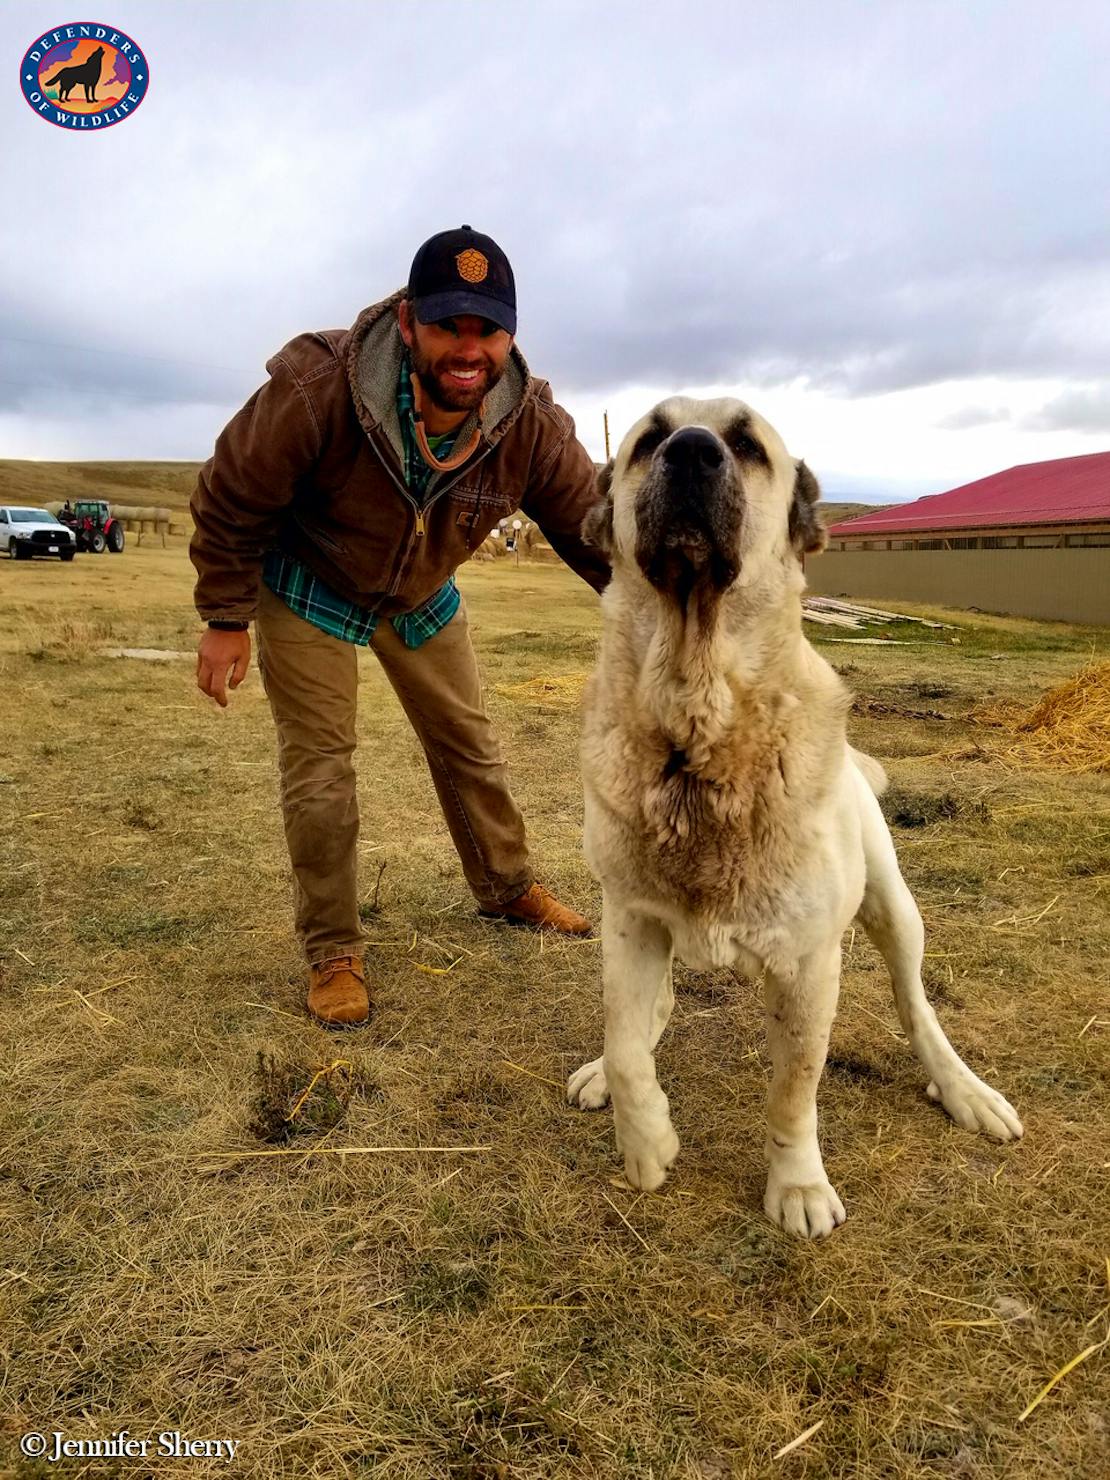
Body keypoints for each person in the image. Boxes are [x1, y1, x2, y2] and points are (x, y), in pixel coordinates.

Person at [190, 226, 609, 1027]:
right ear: (411, 322)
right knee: (322, 772)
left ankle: (507, 886)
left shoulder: (529, 423)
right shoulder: (320, 385)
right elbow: (231, 492)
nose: (468, 349)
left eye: (486, 330)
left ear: (509, 335)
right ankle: (333, 950)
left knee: (470, 744)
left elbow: (592, 529)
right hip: (312, 579)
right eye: (450, 325)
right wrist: (225, 617)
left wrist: (654, 609)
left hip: (419, 590)